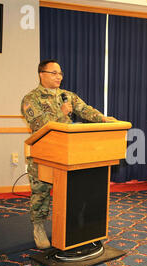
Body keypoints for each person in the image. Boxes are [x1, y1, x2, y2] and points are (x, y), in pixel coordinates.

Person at [21, 59, 117, 249]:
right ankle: (38, 226)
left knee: (71, 192)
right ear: (42, 74)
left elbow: (86, 110)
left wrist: (104, 119)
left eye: (60, 73)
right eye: (54, 73)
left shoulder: (67, 95)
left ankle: (71, 227)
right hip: (43, 153)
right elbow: (38, 125)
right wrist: (61, 113)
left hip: (68, 154)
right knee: (41, 193)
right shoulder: (31, 99)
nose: (59, 77)